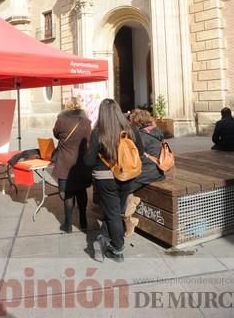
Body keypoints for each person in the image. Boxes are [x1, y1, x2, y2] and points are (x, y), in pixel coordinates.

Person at [83, 98, 143, 263]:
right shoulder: (130, 128)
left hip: (105, 179)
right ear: (118, 110)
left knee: (113, 213)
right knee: (116, 211)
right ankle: (103, 238)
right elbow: (141, 151)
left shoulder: (98, 133)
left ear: (102, 113)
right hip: (126, 177)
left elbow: (88, 162)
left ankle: (117, 249)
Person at [52, 97, 92, 233]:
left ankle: (68, 225)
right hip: (81, 163)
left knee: (68, 194)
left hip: (65, 163)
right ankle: (83, 220)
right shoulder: (86, 122)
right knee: (81, 191)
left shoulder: (61, 119)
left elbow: (56, 134)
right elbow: (89, 140)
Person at [124, 109, 165, 236]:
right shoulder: (156, 131)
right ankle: (131, 206)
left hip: (145, 173)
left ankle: (129, 221)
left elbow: (134, 158)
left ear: (136, 121)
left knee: (122, 189)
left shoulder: (140, 135)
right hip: (159, 171)